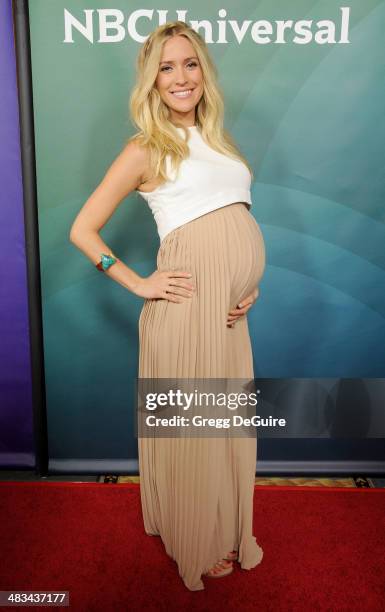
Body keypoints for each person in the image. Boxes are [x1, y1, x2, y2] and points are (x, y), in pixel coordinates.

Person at [70, 20, 266, 591]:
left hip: (228, 314)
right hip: (184, 312)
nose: (180, 77)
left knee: (222, 425)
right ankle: (195, 537)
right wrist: (137, 283)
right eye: (166, 67)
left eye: (190, 64)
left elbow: (235, 221)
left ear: (203, 71)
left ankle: (217, 523)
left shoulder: (221, 142)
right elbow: (84, 230)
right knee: (193, 427)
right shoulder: (144, 148)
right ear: (151, 81)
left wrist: (246, 284)